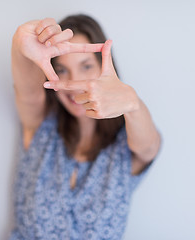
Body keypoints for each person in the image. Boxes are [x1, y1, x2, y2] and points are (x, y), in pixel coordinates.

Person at [9, 14, 161, 240]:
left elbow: (149, 146)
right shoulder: (42, 126)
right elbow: (28, 95)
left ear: (104, 67)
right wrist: (20, 44)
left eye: (86, 65)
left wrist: (133, 104)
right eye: (62, 69)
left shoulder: (125, 143)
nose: (74, 82)